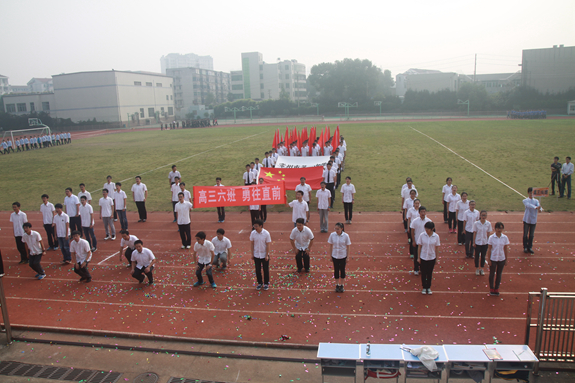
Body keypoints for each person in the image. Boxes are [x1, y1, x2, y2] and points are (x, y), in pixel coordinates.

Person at [487, 222, 510, 296]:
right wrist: (489, 259)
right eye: (498, 228)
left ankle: (497, 288)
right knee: (492, 274)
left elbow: (505, 249)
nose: (499, 229)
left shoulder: (505, 237)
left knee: (499, 274)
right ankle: (491, 288)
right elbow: (489, 249)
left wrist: (506, 259)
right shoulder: (491, 237)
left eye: (501, 228)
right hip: (493, 258)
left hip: (501, 258)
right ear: (495, 229)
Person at [418, 221, 441, 295]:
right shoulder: (422, 235)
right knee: (423, 273)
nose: (426, 230)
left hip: (431, 257)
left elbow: (437, 248)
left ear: (432, 229)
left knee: (429, 273)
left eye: (428, 229)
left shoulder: (436, 236)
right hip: (423, 257)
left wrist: (437, 258)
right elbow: (419, 246)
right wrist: (418, 257)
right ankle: (424, 287)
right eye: (425, 229)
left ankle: (428, 287)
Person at [328, 222, 351, 293]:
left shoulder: (346, 236)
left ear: (342, 229)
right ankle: (337, 284)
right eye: (335, 229)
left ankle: (342, 284)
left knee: (342, 270)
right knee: (336, 270)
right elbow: (331, 246)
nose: (336, 230)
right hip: (335, 255)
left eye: (338, 229)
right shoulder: (332, 235)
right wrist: (330, 255)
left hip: (343, 256)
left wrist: (348, 257)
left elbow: (348, 246)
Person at [250, 219, 271, 291]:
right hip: (256, 254)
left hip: (264, 254)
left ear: (261, 226)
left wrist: (266, 255)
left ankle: (266, 283)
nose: (255, 227)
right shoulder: (253, 233)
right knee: (257, 270)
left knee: (265, 270)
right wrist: (252, 254)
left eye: (256, 226)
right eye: (254, 226)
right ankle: (259, 283)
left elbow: (268, 245)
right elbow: (252, 244)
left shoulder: (266, 233)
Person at [410, 206, 432, 276]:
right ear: (419, 212)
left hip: (425, 243)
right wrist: (413, 241)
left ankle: (423, 269)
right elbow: (412, 231)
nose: (423, 213)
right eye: (421, 212)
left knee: (424, 256)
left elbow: (432, 232)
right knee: (416, 256)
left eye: (424, 211)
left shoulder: (429, 221)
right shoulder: (415, 221)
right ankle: (416, 269)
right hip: (417, 241)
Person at [522, 187, 543, 254]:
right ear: (528, 193)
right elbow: (528, 205)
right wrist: (536, 207)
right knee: (525, 234)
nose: (531, 194)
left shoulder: (536, 201)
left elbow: (540, 208)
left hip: (533, 220)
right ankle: (525, 247)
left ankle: (529, 247)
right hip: (527, 219)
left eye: (532, 193)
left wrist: (540, 209)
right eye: (530, 193)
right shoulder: (525, 200)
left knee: (531, 235)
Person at [472, 210, 492, 276]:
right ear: (480, 216)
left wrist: (488, 242)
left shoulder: (488, 224)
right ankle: (477, 268)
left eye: (485, 215)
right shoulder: (476, 223)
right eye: (482, 215)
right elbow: (475, 233)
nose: (483, 216)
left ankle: (482, 268)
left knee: (483, 256)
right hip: (478, 242)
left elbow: (488, 234)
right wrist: (474, 242)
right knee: (477, 256)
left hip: (484, 242)